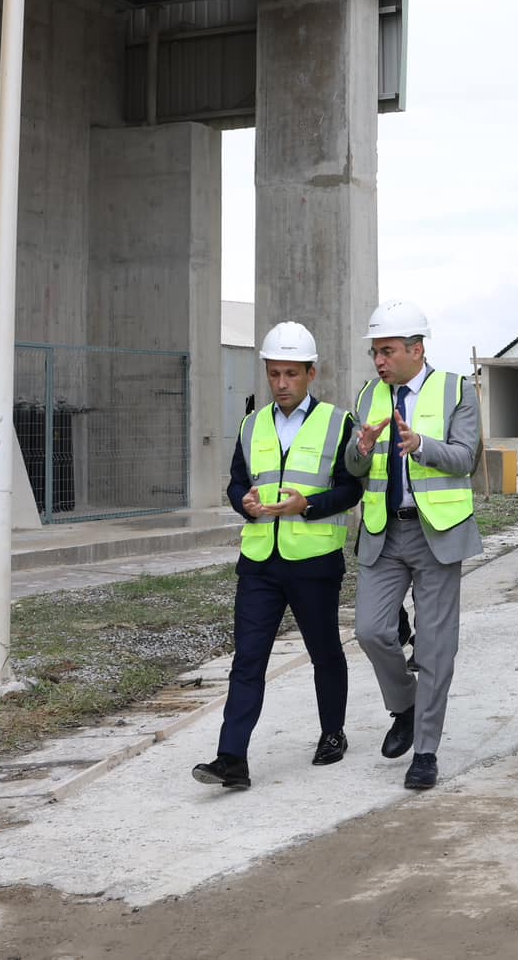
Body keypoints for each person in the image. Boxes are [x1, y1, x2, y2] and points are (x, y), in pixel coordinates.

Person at [193, 321, 362, 791]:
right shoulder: (252, 424)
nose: (282, 383)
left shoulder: (338, 423)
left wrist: (308, 505)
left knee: (324, 651)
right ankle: (232, 758)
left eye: (291, 374)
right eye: (274, 374)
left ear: (311, 373)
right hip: (260, 563)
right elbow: (236, 482)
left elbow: (351, 488)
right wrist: (242, 502)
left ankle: (332, 732)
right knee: (247, 660)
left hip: (314, 560)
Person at [346, 299, 485, 791]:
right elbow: (354, 467)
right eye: (375, 352)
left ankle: (425, 751)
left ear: (416, 349)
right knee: (370, 630)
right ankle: (405, 705)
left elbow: (466, 458)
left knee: (435, 647)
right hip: (384, 533)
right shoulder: (368, 395)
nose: (379, 361)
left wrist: (422, 445)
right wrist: (361, 448)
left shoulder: (455, 389)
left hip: (437, 533)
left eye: (387, 351)